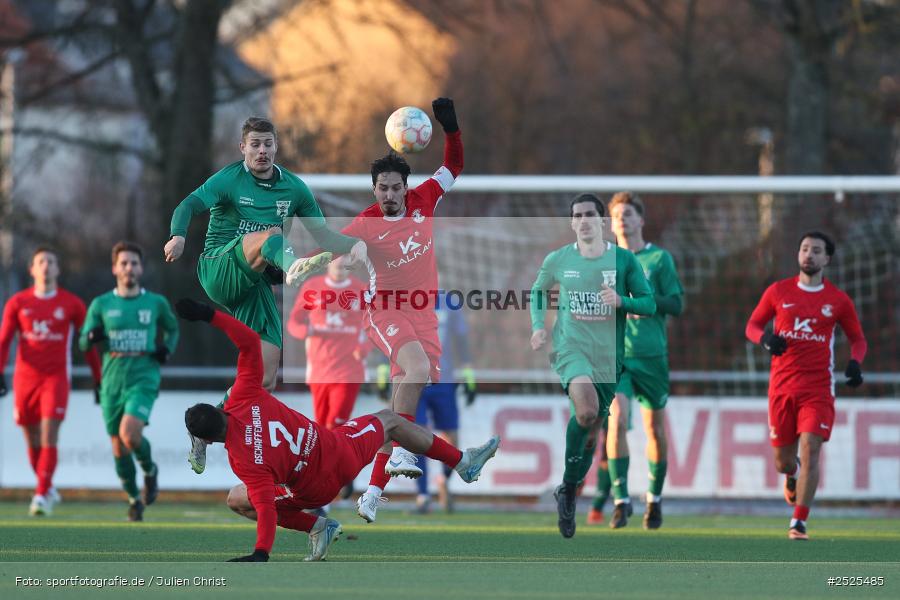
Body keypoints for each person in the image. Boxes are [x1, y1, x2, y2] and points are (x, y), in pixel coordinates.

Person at [175, 297, 499, 562]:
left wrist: (261, 552)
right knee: (391, 421)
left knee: (237, 498)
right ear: (222, 408)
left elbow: (263, 507)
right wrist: (208, 314)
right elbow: (247, 342)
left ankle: (321, 525)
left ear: (208, 439)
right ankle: (459, 462)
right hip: (337, 449)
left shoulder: (242, 458)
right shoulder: (246, 392)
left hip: (314, 490)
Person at [164, 116, 366, 473]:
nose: (262, 151)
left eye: (268, 144)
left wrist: (360, 245)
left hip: (254, 283)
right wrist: (178, 235)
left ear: (276, 146)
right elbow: (187, 206)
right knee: (272, 235)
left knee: (263, 379)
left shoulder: (294, 188)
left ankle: (204, 432)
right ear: (242, 148)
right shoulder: (228, 179)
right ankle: (293, 267)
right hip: (219, 267)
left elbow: (326, 238)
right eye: (254, 144)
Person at [338, 98, 463, 523]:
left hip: (423, 313)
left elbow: (455, 166)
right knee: (415, 368)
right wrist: (344, 258)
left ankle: (372, 493)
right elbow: (336, 252)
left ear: (406, 188)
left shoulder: (426, 199)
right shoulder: (365, 221)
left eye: (395, 188)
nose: (388, 195)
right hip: (385, 310)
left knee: (405, 402)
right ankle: (403, 454)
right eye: (382, 188)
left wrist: (451, 128)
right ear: (374, 190)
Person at [530, 193, 655, 539]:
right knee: (585, 414)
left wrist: (622, 301)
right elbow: (538, 291)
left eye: (590, 214)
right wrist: (538, 326)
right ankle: (570, 489)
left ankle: (568, 489)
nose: (584, 220)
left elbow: (649, 304)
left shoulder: (625, 262)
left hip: (608, 358)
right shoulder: (558, 259)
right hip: (571, 349)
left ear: (602, 221)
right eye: (577, 215)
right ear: (572, 223)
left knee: (591, 434)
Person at [745, 231, 866, 541]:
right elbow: (752, 325)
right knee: (783, 461)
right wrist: (766, 339)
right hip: (782, 389)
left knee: (812, 448)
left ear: (827, 259)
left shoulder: (838, 300)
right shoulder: (778, 292)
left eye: (816, 250)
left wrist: (854, 363)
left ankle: (799, 521)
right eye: (804, 249)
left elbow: (858, 339)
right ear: (798, 255)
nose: (809, 255)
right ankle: (792, 474)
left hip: (818, 389)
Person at [588, 192, 684, 529]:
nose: (622, 220)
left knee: (654, 429)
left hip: (652, 356)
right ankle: (620, 500)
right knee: (616, 420)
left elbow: (675, 304)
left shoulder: (659, 260)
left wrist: (633, 301)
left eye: (628, 214)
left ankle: (654, 500)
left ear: (640, 220)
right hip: (616, 357)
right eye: (616, 216)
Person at [80, 242, 179, 521]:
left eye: (134, 263)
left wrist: (166, 349)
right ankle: (135, 499)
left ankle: (150, 471)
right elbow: (82, 341)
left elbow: (172, 329)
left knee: (129, 433)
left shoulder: (155, 303)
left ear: (141, 268)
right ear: (114, 268)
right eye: (123, 263)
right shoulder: (101, 304)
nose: (129, 268)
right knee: (117, 444)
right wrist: (91, 337)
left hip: (144, 375)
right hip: (112, 381)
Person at [0, 247, 102, 516]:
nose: (46, 266)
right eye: (40, 262)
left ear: (57, 269)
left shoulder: (72, 304)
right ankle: (46, 485)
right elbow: (4, 340)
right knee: (31, 438)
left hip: (55, 378)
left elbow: (87, 344)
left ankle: (41, 494)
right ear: (32, 270)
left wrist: (98, 379)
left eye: (51, 262)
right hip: (25, 379)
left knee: (48, 434)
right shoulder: (18, 303)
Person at [287, 256, 369, 430]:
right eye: (335, 257)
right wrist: (304, 331)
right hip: (319, 369)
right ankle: (324, 457)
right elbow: (293, 322)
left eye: (344, 257)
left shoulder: (361, 290)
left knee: (336, 423)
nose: (339, 262)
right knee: (322, 426)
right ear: (327, 262)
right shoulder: (312, 287)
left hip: (349, 369)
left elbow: (375, 327)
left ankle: (340, 456)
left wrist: (364, 348)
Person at [413, 295, 477, 514]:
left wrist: (468, 373)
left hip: (444, 379)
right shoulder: (404, 301)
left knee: (452, 437)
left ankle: (443, 479)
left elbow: (462, 341)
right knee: (417, 436)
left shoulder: (449, 303)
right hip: (414, 381)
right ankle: (422, 496)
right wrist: (385, 371)